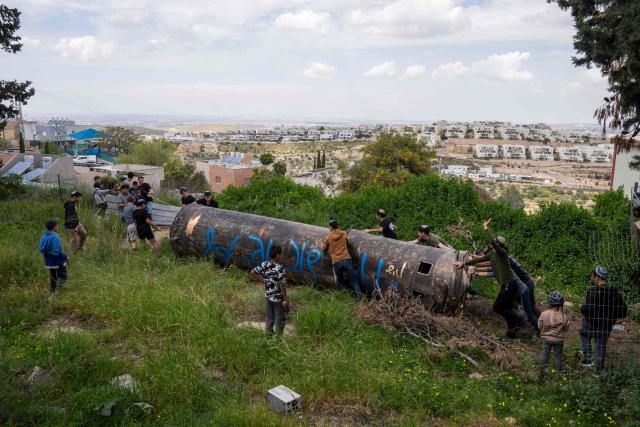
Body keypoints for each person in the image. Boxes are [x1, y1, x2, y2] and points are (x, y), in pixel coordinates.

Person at [455, 219, 534, 338]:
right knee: (505, 308)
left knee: (497, 307)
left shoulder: (502, 254)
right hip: (507, 285)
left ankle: (518, 320)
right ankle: (512, 332)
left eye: (495, 243)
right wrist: (464, 263)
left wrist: (486, 228)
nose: (492, 244)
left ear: (497, 245)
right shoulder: (492, 255)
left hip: (510, 284)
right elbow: (478, 260)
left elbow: (492, 242)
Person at [579, 266, 628, 369]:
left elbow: (588, 309)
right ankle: (599, 368)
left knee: (583, 334)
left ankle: (588, 359)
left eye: (593, 276)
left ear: (596, 277)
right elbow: (623, 310)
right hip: (606, 326)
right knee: (601, 344)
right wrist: (612, 317)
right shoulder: (614, 292)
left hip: (592, 324)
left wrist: (582, 307)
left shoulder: (593, 291)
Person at [250, 246, 289, 336]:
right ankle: (278, 340)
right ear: (277, 255)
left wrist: (264, 281)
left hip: (268, 296)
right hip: (278, 298)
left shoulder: (264, 264)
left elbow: (252, 273)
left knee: (269, 318)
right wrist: (286, 299)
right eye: (281, 254)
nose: (281, 256)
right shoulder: (280, 268)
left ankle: (268, 338)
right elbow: (282, 285)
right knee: (279, 320)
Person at [321, 219, 363, 300]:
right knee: (354, 280)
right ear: (337, 226)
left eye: (329, 226)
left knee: (340, 281)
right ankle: (359, 296)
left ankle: (344, 297)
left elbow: (324, 248)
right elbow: (347, 242)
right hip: (346, 259)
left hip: (337, 261)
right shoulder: (344, 233)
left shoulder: (328, 237)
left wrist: (322, 245)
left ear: (331, 227)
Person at [538, 291, 570, 374]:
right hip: (558, 340)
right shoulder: (564, 316)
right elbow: (566, 329)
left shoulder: (544, 314)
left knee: (545, 355)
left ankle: (542, 373)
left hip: (546, 339)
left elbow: (539, 326)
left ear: (550, 303)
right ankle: (558, 374)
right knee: (558, 356)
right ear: (561, 304)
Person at [38, 220, 68, 292]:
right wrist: (65, 257)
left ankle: (52, 290)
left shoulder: (44, 236)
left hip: (48, 262)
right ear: (54, 227)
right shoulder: (55, 236)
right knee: (64, 275)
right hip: (57, 261)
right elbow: (56, 252)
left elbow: (41, 249)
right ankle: (58, 290)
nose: (58, 226)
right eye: (57, 225)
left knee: (53, 277)